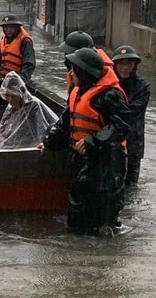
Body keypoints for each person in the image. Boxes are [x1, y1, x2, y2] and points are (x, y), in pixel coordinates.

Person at [40, 47, 132, 235]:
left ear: (86, 72)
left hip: (107, 163)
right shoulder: (77, 92)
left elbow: (122, 125)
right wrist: (49, 143)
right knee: (77, 211)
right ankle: (77, 253)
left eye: (76, 69)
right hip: (82, 161)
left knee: (103, 219)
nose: (71, 73)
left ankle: (102, 256)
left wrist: (92, 141)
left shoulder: (109, 95)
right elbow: (66, 123)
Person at [111, 45, 150, 187]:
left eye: (129, 64)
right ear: (115, 65)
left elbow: (130, 113)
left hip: (133, 143)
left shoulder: (142, 87)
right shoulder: (109, 85)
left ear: (134, 66)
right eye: (121, 64)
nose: (125, 68)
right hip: (113, 142)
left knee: (131, 185)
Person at [0, 72, 58, 150]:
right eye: (6, 95)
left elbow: (40, 132)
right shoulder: (12, 106)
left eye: (13, 96)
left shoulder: (33, 106)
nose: (10, 99)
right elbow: (5, 128)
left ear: (21, 93)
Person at [0, 14, 36, 122]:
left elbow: (29, 65)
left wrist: (19, 82)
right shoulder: (4, 40)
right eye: (6, 27)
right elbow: (0, 59)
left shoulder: (25, 42)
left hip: (17, 83)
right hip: (3, 80)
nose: (9, 30)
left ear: (17, 28)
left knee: (15, 112)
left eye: (11, 27)